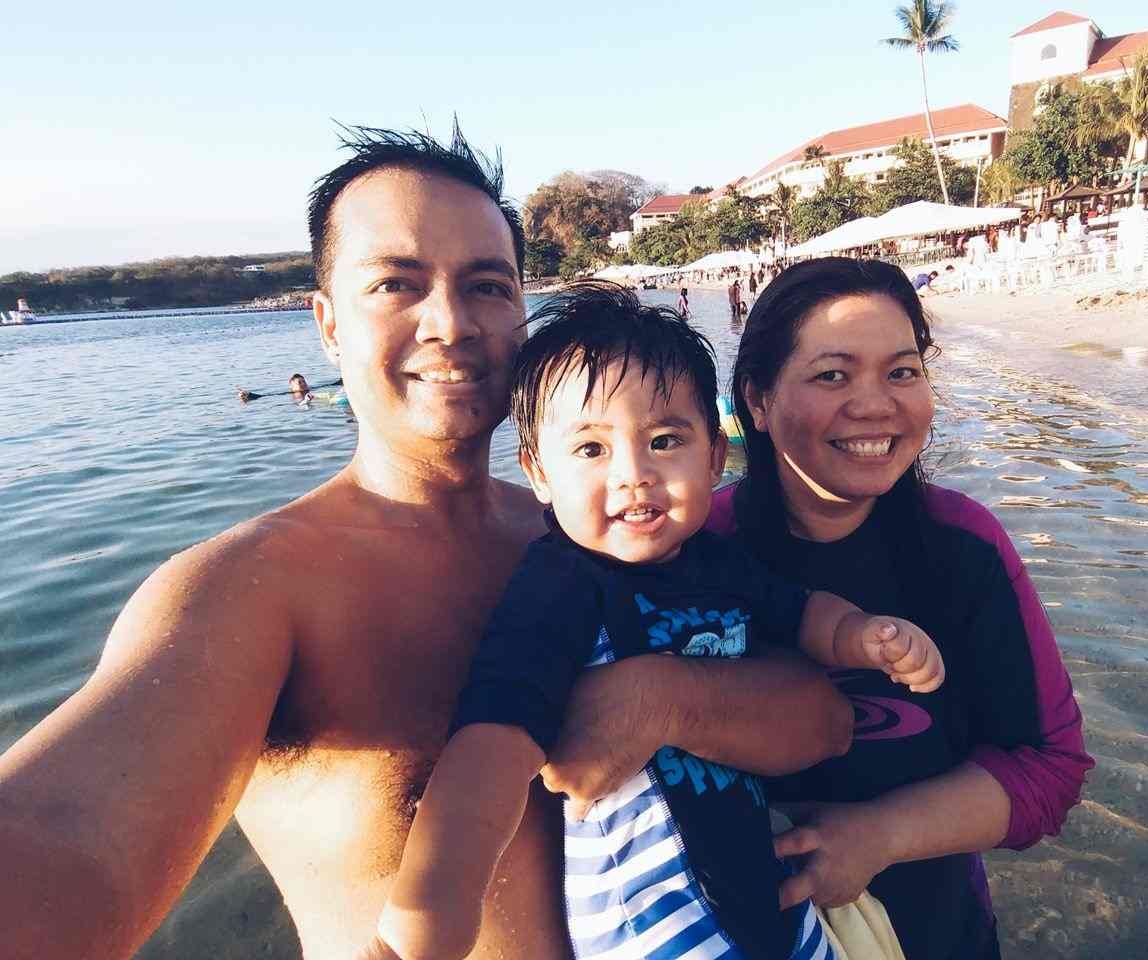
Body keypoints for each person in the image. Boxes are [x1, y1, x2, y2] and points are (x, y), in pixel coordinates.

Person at [0, 127, 853, 960]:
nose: (450, 321)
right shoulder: (250, 591)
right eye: (396, 284)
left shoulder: (607, 533)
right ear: (328, 322)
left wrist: (669, 698)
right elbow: (66, 833)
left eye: (487, 284)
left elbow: (823, 721)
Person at [367, 284, 943, 960]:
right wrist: (433, 910)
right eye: (590, 449)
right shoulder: (560, 585)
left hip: (770, 907)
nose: (634, 475)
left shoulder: (718, 562)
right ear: (538, 474)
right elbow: (493, 744)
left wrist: (864, 634)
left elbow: (800, 611)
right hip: (652, 929)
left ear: (713, 457)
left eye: (665, 440)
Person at [706, 258, 1094, 960]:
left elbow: (1049, 768)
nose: (876, 404)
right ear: (756, 403)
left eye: (902, 370)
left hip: (937, 933)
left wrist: (877, 835)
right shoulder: (696, 546)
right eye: (833, 374)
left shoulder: (963, 545)